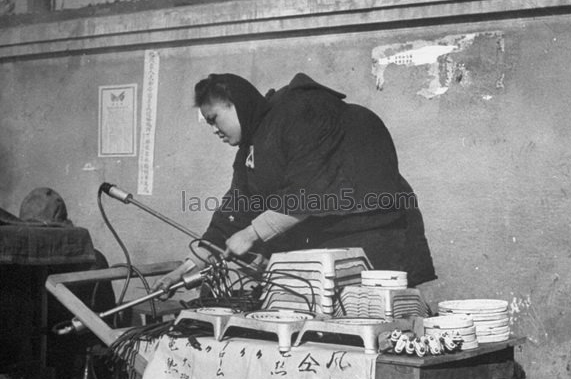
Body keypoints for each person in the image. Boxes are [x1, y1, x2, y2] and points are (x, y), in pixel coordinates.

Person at [155, 72, 435, 292]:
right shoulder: (249, 151)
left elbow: (308, 192)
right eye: (209, 124)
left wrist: (252, 235)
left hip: (375, 227)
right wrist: (186, 268)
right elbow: (234, 213)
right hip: (332, 236)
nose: (214, 130)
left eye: (215, 119)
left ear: (237, 103)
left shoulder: (299, 113)